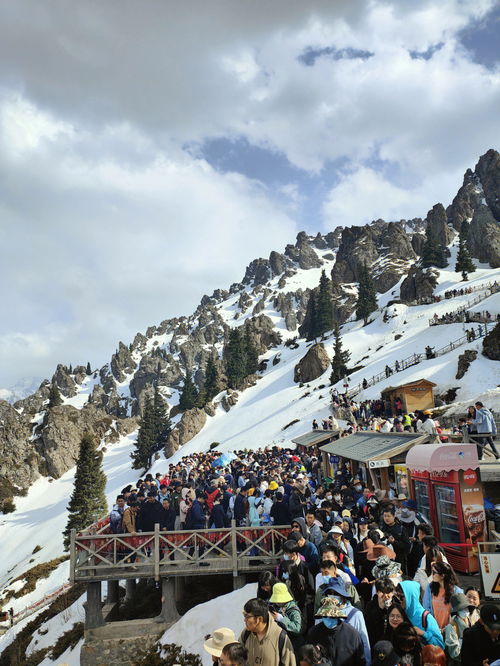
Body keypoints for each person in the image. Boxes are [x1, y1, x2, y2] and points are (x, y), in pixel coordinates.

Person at [307, 596, 366, 665]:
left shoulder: (352, 634)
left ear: (338, 616)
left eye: (332, 616)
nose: (328, 619)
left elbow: (360, 661)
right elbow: (308, 659)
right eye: (325, 616)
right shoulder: (314, 633)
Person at [240, 598, 296, 666]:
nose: (244, 620)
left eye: (247, 617)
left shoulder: (280, 637)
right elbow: (238, 658)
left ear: (259, 619)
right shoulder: (246, 634)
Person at [397, 580, 444, 648]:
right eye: (397, 596)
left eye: (401, 597)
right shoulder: (400, 614)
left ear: (411, 597)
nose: (398, 600)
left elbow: (440, 645)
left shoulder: (427, 618)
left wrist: (423, 634)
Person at [422, 561, 463, 630]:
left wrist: (448, 629)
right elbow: (426, 608)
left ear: (443, 575)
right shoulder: (430, 587)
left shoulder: (457, 591)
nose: (432, 575)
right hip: (434, 629)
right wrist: (433, 627)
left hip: (450, 631)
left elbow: (460, 614)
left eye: (434, 573)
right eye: (432, 572)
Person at [268, 582, 304, 653]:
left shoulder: (294, 610)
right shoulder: (275, 607)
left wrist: (281, 619)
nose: (277, 602)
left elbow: (297, 629)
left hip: (293, 645)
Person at [443, 593, 475, 664]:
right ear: (457, 611)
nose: (465, 611)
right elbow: (454, 653)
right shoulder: (452, 627)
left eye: (466, 608)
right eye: (461, 609)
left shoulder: (472, 621)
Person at [364, 579, 396, 646]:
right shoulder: (370, 605)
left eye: (388, 592)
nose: (385, 596)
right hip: (374, 641)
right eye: (382, 592)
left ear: (392, 593)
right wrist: (380, 609)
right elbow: (368, 625)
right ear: (377, 592)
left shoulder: (396, 605)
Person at [381, 505, 411, 575]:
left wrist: (394, 542)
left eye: (388, 516)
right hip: (386, 561)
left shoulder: (401, 529)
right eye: (385, 516)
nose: (386, 518)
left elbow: (407, 546)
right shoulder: (382, 529)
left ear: (394, 516)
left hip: (399, 560)